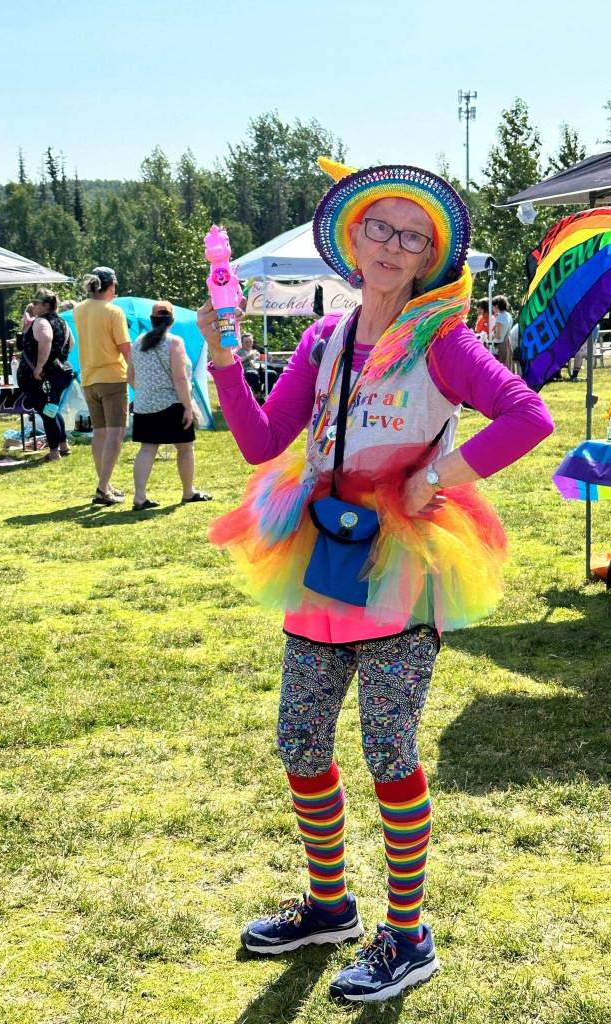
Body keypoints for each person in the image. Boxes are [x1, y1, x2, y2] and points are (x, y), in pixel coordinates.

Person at [198, 156, 554, 1003]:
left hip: (402, 569)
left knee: (388, 750)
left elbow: (529, 416)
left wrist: (443, 475)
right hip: (320, 557)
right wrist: (221, 362)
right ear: (352, 238)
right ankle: (329, 907)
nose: (393, 245)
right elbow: (258, 444)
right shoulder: (324, 338)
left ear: (431, 255)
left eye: (412, 235)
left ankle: (409, 935)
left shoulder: (447, 340)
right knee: (298, 741)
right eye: (379, 228)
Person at [128, 301, 212, 511]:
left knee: (147, 449)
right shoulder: (174, 342)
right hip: (171, 404)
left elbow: (130, 376)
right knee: (185, 448)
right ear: (171, 320)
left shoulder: (137, 342)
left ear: (151, 319)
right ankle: (188, 492)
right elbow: (180, 378)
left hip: (144, 405)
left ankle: (139, 497)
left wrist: (146, 393)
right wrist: (187, 407)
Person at [73, 266, 131, 505]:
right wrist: (137, 375)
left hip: (89, 379)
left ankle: (105, 484)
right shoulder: (113, 311)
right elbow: (125, 348)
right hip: (112, 378)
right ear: (110, 286)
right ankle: (102, 489)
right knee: (115, 435)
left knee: (100, 434)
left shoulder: (79, 310)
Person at [17, 290, 74, 461]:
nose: (33, 306)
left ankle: (54, 452)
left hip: (40, 377)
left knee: (47, 413)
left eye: (36, 303)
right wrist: (57, 358)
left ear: (46, 305)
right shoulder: (63, 322)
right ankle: (63, 445)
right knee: (52, 410)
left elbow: (46, 339)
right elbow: (71, 344)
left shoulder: (41, 321)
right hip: (59, 374)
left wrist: (40, 366)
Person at [491, 295, 514, 369]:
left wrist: (490, 336)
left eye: (493, 306)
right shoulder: (508, 315)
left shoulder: (499, 318)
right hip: (508, 342)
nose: (492, 308)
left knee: (501, 367)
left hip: (501, 345)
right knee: (508, 365)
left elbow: (498, 336)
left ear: (497, 306)